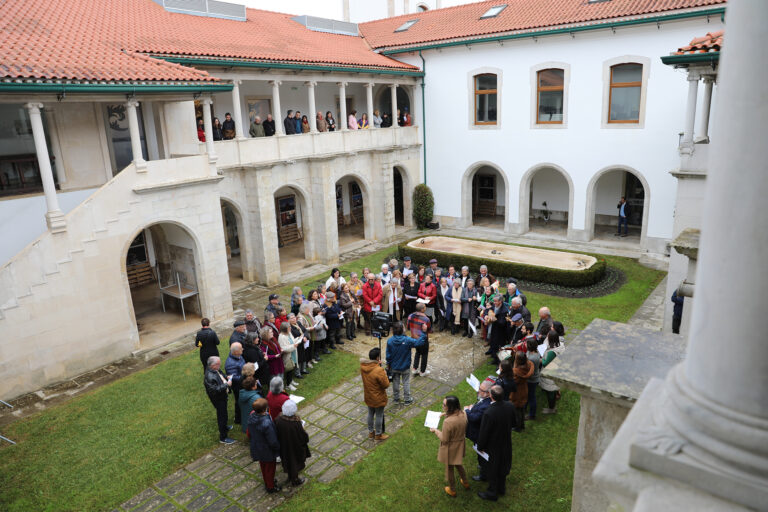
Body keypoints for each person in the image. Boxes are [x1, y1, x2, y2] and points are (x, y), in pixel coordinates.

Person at [476, 385, 516, 501]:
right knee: (503, 465)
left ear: (491, 396)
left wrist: (481, 446)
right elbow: (514, 423)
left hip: (493, 445)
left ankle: (492, 493)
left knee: (493, 468)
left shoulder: (489, 412)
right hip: (506, 441)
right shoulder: (510, 405)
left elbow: (484, 432)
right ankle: (501, 488)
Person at [430, 395, 469, 497]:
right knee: (459, 464)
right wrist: (446, 414)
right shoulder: (463, 413)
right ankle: (465, 482)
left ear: (450, 407)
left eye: (444, 405)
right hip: (460, 444)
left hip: (451, 448)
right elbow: (456, 419)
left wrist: (435, 430)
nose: (442, 406)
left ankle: (452, 490)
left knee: (450, 468)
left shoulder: (448, 422)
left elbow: (444, 439)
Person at [385, 321, 426, 404]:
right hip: (405, 366)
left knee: (395, 382)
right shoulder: (407, 340)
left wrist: (389, 365)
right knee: (406, 383)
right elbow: (420, 342)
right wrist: (424, 332)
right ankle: (407, 399)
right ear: (402, 330)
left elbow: (388, 356)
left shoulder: (390, 341)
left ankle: (396, 399)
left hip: (394, 367)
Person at [247, 398, 281, 493]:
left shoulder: (251, 417)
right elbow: (272, 440)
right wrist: (277, 448)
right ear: (265, 409)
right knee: (270, 469)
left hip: (257, 447)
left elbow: (249, 433)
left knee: (263, 466)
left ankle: (267, 481)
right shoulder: (266, 423)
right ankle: (270, 487)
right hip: (267, 450)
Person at [274, 400, 310, 487]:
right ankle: (295, 480)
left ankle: (290, 476)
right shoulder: (296, 423)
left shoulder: (278, 419)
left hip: (283, 446)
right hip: (294, 447)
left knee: (287, 461)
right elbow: (302, 436)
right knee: (294, 463)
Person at [465, 380, 492, 481]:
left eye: (481, 390)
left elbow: (474, 418)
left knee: (481, 453)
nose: (478, 391)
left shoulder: (487, 405)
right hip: (477, 432)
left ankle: (484, 474)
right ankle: (483, 467)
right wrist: (472, 407)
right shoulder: (484, 400)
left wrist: (467, 410)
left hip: (479, 434)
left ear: (488, 393)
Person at [360, 347, 390, 441]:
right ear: (377, 358)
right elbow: (386, 385)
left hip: (368, 395)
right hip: (378, 397)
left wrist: (377, 365)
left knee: (370, 413)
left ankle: (370, 433)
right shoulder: (378, 370)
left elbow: (372, 370)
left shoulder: (363, 367)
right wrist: (384, 372)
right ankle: (378, 435)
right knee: (379, 415)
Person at [204, 356, 234, 444]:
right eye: (218, 364)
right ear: (212, 365)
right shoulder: (209, 376)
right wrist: (227, 385)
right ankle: (223, 438)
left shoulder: (215, 369)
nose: (220, 365)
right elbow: (215, 390)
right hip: (218, 399)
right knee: (221, 416)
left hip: (223, 397)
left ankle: (225, 427)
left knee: (224, 414)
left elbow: (220, 375)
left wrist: (226, 377)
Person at [540, 330, 565, 414]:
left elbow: (545, 363)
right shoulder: (560, 345)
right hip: (556, 370)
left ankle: (551, 409)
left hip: (550, 374)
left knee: (550, 391)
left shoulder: (552, 352)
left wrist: (542, 359)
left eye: (548, 336)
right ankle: (556, 395)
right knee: (554, 388)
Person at [407, 303, 432, 377]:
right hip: (423, 339)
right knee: (424, 355)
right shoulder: (426, 319)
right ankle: (422, 371)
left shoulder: (410, 316)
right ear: (421, 309)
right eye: (425, 307)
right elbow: (429, 330)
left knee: (417, 353)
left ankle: (414, 369)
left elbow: (408, 327)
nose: (426, 308)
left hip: (414, 339)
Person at [511, 352, 534, 431]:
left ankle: (518, 427)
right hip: (524, 389)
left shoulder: (516, 372)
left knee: (517, 411)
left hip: (517, 393)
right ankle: (522, 425)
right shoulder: (529, 364)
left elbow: (513, 382)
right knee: (522, 409)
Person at [225, 342, 246, 424]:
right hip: (238, 387)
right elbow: (233, 378)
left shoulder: (239, 356)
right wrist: (246, 375)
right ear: (236, 352)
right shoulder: (230, 364)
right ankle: (238, 419)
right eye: (241, 348)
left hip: (242, 383)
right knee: (239, 402)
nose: (243, 349)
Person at [487, 295, 509, 364]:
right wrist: (486, 315)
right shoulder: (494, 306)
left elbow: (502, 323)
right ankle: (493, 357)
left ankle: (498, 362)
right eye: (494, 301)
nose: (494, 303)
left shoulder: (504, 310)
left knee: (499, 346)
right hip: (494, 329)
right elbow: (489, 309)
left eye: (496, 301)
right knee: (493, 342)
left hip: (500, 332)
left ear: (500, 301)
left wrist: (495, 319)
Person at [277, 322, 300, 391]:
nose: (290, 328)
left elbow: (292, 341)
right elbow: (284, 348)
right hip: (288, 356)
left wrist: (298, 339)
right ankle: (288, 384)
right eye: (289, 327)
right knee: (289, 369)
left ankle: (291, 380)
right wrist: (294, 346)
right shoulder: (281, 337)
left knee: (292, 367)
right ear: (284, 329)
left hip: (293, 353)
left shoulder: (289, 333)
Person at [525, 337, 541, 420]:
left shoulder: (532, 358)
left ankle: (532, 414)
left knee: (531, 396)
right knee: (528, 395)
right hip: (533, 377)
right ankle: (525, 407)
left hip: (532, 379)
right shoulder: (535, 352)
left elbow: (527, 368)